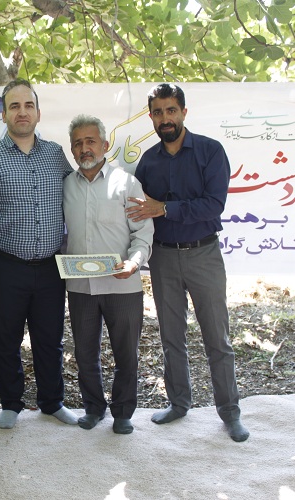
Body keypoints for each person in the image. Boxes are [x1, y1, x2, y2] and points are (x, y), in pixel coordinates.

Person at [127, 83, 250, 442]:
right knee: (171, 336)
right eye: (157, 112)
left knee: (217, 338)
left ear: (183, 112)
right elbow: (141, 211)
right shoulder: (148, 161)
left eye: (170, 110)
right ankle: (179, 403)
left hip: (203, 255)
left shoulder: (211, 152)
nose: (164, 118)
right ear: (151, 117)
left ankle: (230, 413)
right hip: (163, 257)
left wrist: (165, 208)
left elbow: (213, 205)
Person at [0, 78, 77, 430]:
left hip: (50, 267)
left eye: (28, 105)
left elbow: (76, 196)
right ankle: (11, 403)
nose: (22, 112)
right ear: (3, 115)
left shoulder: (56, 155)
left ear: (38, 113)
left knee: (50, 338)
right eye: (14, 106)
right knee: (5, 338)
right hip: (6, 266)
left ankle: (52, 401)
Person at [63, 115, 154, 435]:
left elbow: (143, 233)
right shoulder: (66, 185)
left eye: (90, 141)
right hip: (80, 286)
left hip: (122, 285)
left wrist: (134, 263)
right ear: (72, 150)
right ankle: (93, 408)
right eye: (78, 143)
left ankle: (123, 412)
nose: (84, 148)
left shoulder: (127, 183)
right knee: (85, 353)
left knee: (126, 353)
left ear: (104, 145)